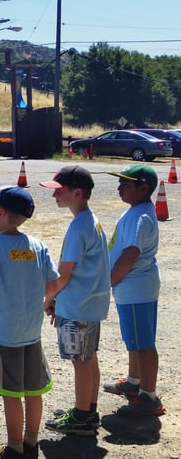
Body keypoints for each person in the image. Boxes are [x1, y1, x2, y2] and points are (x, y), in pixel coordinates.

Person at [0, 186, 59, 459]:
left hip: (3, 333)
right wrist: (45, 301)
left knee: (11, 393)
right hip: (31, 331)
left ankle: (14, 447)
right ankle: (31, 441)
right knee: (34, 390)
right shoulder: (36, 245)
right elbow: (53, 283)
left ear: (1, 212)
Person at [38, 166, 111, 435]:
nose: (54, 195)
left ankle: (81, 417)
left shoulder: (79, 227)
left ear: (77, 192)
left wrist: (49, 298)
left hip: (77, 305)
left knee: (80, 362)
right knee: (89, 359)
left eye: (59, 190)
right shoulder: (91, 220)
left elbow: (65, 273)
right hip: (89, 303)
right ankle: (88, 410)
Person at [103, 164, 165, 417]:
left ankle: (148, 396)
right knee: (134, 340)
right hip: (132, 288)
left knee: (144, 344)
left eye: (125, 184)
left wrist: (108, 281)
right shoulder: (137, 211)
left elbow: (131, 254)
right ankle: (134, 382)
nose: (120, 188)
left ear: (143, 188)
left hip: (136, 287)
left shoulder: (140, 216)